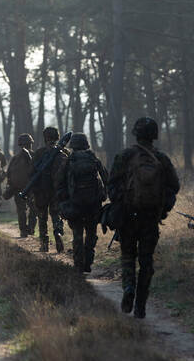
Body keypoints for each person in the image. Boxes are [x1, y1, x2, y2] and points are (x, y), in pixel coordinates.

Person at [108, 117, 179, 319]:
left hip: (128, 216)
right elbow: (174, 186)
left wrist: (120, 204)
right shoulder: (161, 158)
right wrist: (162, 209)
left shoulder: (125, 156)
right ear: (154, 135)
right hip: (151, 218)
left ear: (136, 134)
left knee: (128, 256)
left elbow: (111, 184)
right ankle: (140, 305)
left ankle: (128, 288)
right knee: (146, 261)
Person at [56, 133, 108, 272]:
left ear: (72, 145)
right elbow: (106, 177)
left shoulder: (69, 161)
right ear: (86, 144)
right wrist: (103, 195)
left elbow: (59, 182)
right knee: (91, 233)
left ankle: (79, 265)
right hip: (93, 204)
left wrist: (64, 199)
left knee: (77, 235)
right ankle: (88, 262)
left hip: (75, 204)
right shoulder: (94, 159)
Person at [31, 126, 68, 253]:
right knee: (56, 215)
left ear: (45, 138)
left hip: (41, 191)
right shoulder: (64, 152)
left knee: (42, 218)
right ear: (57, 137)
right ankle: (58, 233)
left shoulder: (39, 153)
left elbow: (31, 173)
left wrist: (34, 190)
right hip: (57, 191)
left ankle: (44, 244)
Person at [5, 133, 37, 238]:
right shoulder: (36, 156)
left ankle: (23, 231)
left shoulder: (15, 158)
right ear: (31, 143)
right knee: (34, 209)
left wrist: (11, 186)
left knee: (21, 210)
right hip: (32, 189)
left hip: (18, 189)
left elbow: (8, 174)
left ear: (20, 144)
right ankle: (31, 228)